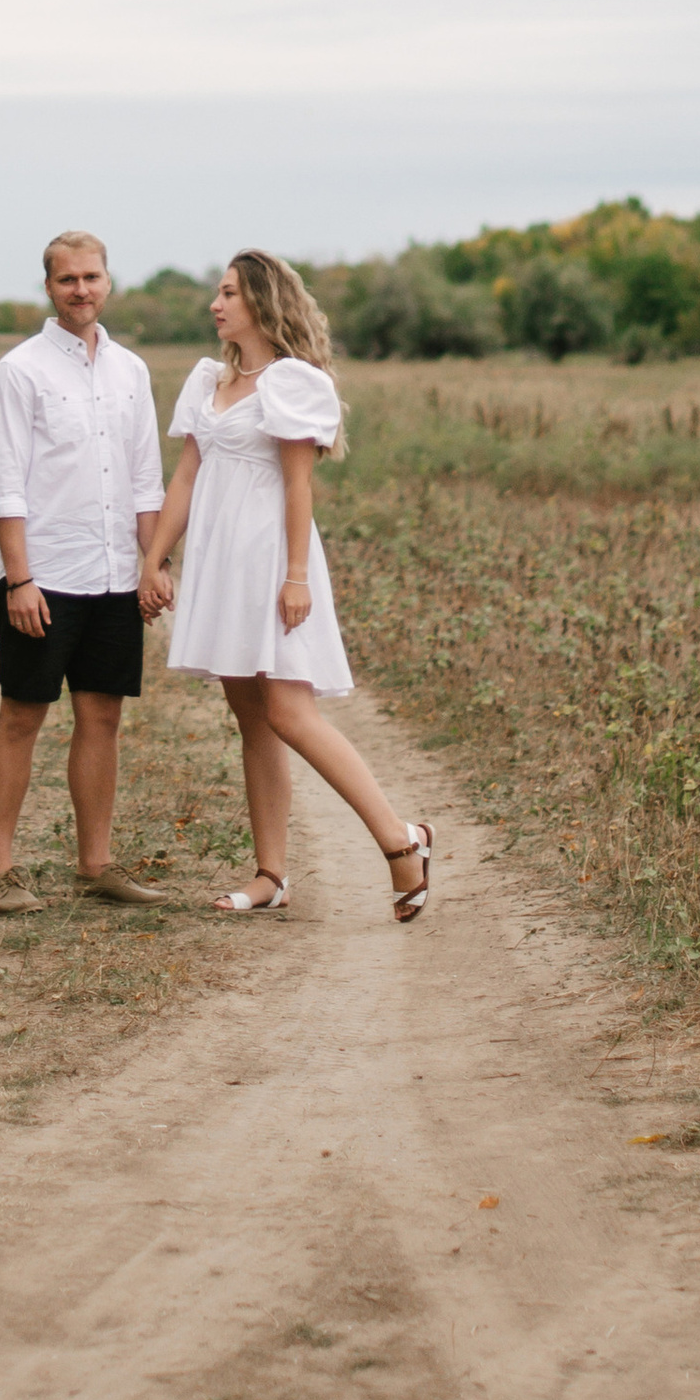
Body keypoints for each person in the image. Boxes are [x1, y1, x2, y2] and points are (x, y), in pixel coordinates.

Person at [138, 249, 433, 923]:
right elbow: (186, 475)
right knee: (252, 718)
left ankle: (400, 840)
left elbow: (299, 485)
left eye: (229, 293)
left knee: (290, 712)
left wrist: (296, 577)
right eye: (217, 293)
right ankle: (271, 874)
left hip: (271, 558)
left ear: (262, 302)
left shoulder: (291, 381)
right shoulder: (208, 380)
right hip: (220, 562)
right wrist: (155, 559)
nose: (215, 304)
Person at [0, 230, 169, 917]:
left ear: (108, 281)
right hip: (45, 575)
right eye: (67, 279)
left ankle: (96, 864)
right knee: (22, 715)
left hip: (114, 574)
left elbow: (146, 479)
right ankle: (0, 872)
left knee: (102, 715)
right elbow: (5, 483)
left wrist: (152, 565)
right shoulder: (19, 371)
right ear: (49, 287)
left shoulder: (131, 371)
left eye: (91, 277)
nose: (81, 290)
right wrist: (19, 579)